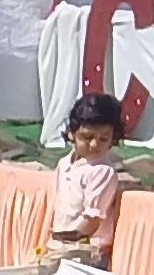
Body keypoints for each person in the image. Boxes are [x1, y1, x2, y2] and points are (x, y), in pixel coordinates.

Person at [49, 90, 126, 252]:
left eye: (103, 139)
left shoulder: (102, 172)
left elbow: (93, 219)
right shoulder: (64, 164)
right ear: (71, 134)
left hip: (88, 249)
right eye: (87, 137)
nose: (94, 144)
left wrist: (69, 239)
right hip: (61, 243)